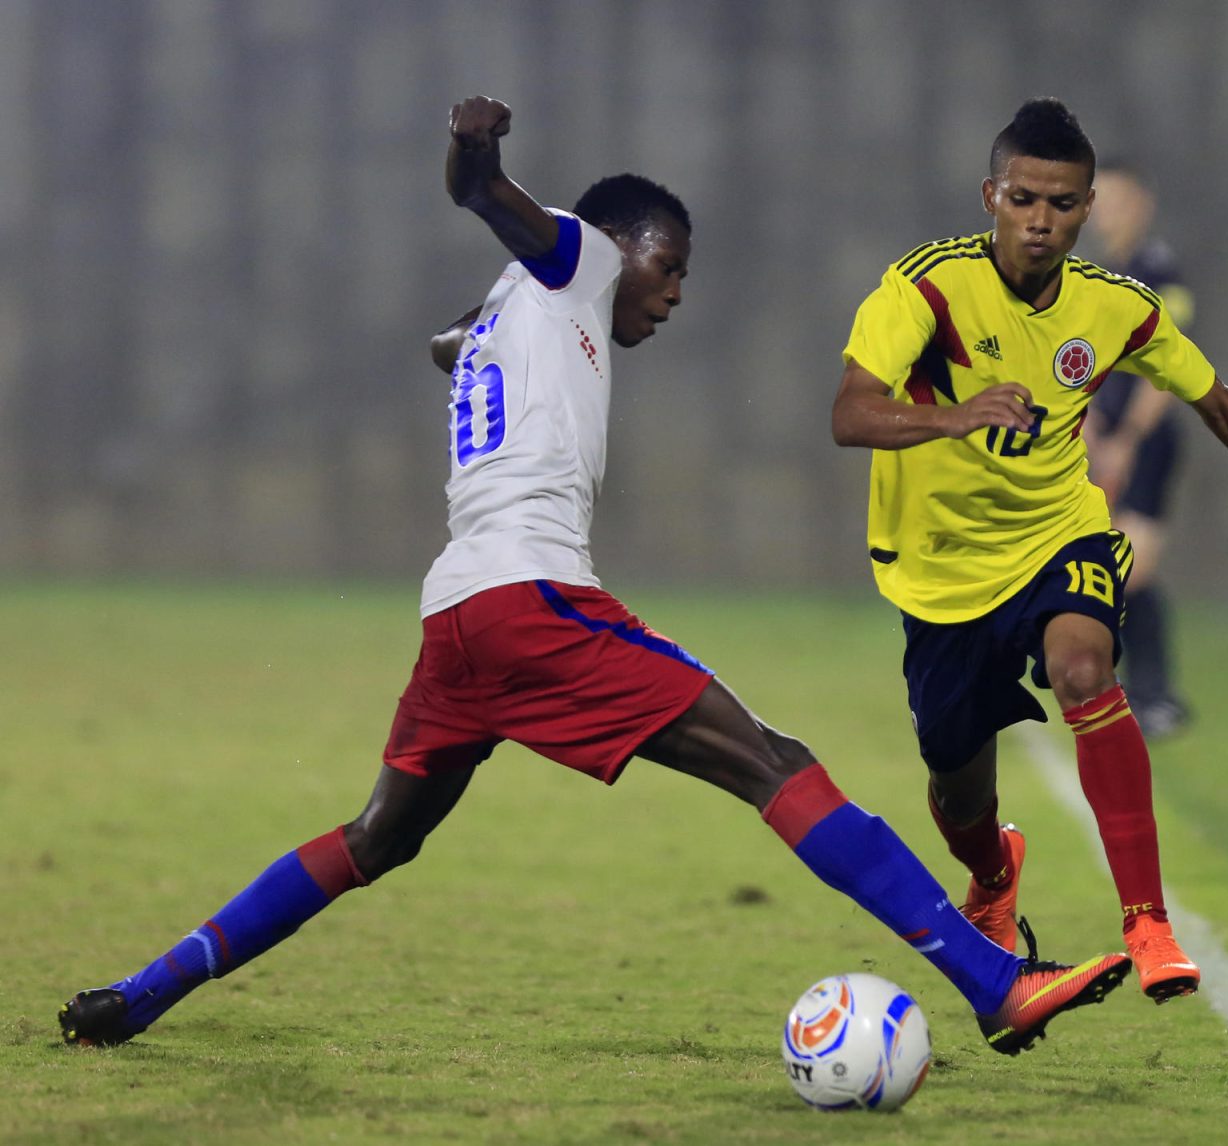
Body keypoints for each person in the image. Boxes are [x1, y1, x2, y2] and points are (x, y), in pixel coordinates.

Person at [58, 96, 1131, 1059]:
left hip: (456, 617)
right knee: (774, 761)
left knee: (377, 836)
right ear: (626, 250)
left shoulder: (511, 313)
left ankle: (142, 994)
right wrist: (475, 155)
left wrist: (459, 340)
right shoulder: (579, 258)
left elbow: (456, 343)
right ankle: (994, 984)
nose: (670, 298)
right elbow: (490, 201)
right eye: (671, 270)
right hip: (535, 600)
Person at [831, 98, 1228, 1004]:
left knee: (1083, 668)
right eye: (1023, 198)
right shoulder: (925, 289)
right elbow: (851, 412)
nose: (1041, 220)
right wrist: (956, 414)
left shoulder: (1114, 308)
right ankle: (993, 877)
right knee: (958, 789)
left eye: (1062, 203)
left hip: (1058, 533)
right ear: (992, 194)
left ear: (1088, 205)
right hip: (939, 569)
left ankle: (1148, 923)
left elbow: (1220, 401)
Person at [1081, 160, 1195, 739]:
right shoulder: (1114, 275)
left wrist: (1126, 438)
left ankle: (1155, 697)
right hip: (1113, 443)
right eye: (1101, 201)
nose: (1107, 211)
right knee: (1111, 569)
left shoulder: (1157, 270)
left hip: (1146, 445)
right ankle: (1138, 696)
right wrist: (1093, 423)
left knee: (1131, 568)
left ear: (1142, 204)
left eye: (1117, 200)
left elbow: (1166, 368)